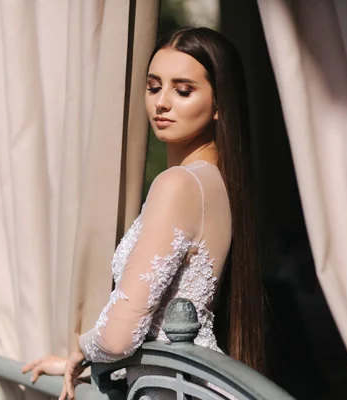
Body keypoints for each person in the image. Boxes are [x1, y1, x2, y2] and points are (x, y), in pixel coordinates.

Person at [22, 27, 265, 399]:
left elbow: (121, 335)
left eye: (182, 91)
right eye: (154, 87)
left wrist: (82, 350)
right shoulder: (218, 182)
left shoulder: (179, 184)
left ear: (219, 104)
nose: (162, 103)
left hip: (175, 387)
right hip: (189, 382)